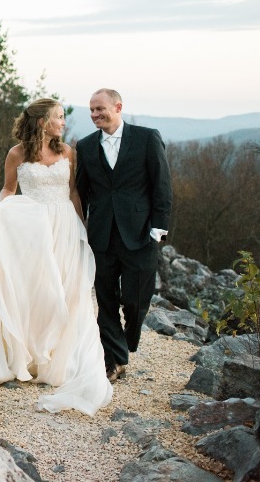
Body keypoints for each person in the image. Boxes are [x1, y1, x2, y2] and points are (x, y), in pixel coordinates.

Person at [0, 98, 112, 417]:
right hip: (31, 229)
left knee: (68, 292)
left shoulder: (67, 152)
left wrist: (82, 226)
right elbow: (8, 189)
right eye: (58, 117)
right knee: (35, 290)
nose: (63, 122)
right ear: (43, 122)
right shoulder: (16, 154)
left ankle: (55, 358)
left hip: (65, 228)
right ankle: (28, 356)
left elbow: (73, 192)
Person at [75, 89, 172, 382]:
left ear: (118, 107)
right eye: (91, 110)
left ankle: (130, 336)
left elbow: (162, 185)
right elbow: (81, 190)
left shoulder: (146, 138)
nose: (94, 115)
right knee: (106, 300)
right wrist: (80, 227)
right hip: (102, 235)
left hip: (141, 234)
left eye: (100, 109)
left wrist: (159, 231)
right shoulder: (86, 145)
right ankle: (113, 360)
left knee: (135, 298)